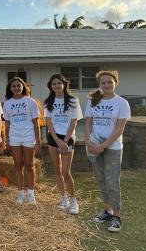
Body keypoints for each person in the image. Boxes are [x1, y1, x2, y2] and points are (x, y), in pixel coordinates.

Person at [85, 70, 130, 232]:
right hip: (94, 145)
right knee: (101, 179)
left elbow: (119, 129)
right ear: (99, 84)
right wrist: (89, 142)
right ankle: (108, 211)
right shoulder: (92, 101)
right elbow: (88, 123)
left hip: (113, 147)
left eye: (109, 82)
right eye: (103, 82)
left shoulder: (122, 103)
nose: (106, 85)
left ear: (115, 82)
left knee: (112, 181)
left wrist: (103, 146)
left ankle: (116, 217)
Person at [44, 74, 83, 214]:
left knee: (66, 172)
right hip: (53, 138)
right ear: (51, 86)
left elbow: (74, 121)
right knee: (57, 170)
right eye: (53, 84)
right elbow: (48, 122)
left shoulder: (73, 100)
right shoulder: (48, 101)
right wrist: (57, 140)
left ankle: (73, 201)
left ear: (64, 84)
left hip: (68, 138)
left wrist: (65, 140)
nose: (56, 86)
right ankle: (63, 198)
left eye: (59, 83)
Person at [3, 77, 41, 204]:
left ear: (23, 87)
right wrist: (7, 140)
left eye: (19, 86)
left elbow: (36, 123)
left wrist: (38, 140)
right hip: (15, 137)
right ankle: (20, 193)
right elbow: (7, 124)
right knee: (18, 164)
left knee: (29, 165)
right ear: (10, 88)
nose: (16, 88)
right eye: (14, 86)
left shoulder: (31, 102)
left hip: (29, 136)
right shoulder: (7, 103)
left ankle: (31, 193)